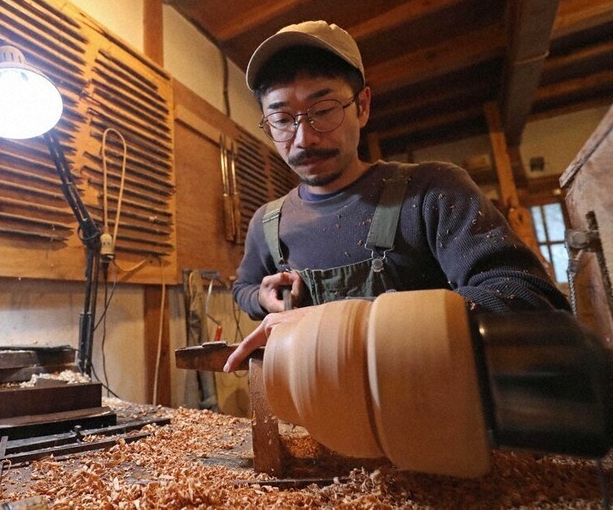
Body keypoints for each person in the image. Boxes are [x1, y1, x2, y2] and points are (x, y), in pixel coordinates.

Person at [224, 20, 570, 372]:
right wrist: (261, 297)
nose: (303, 139)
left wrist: (345, 326)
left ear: (362, 106)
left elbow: (530, 301)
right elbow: (244, 288)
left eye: (323, 110)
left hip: (434, 412)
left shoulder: (433, 190)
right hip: (317, 416)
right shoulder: (269, 221)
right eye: (282, 118)